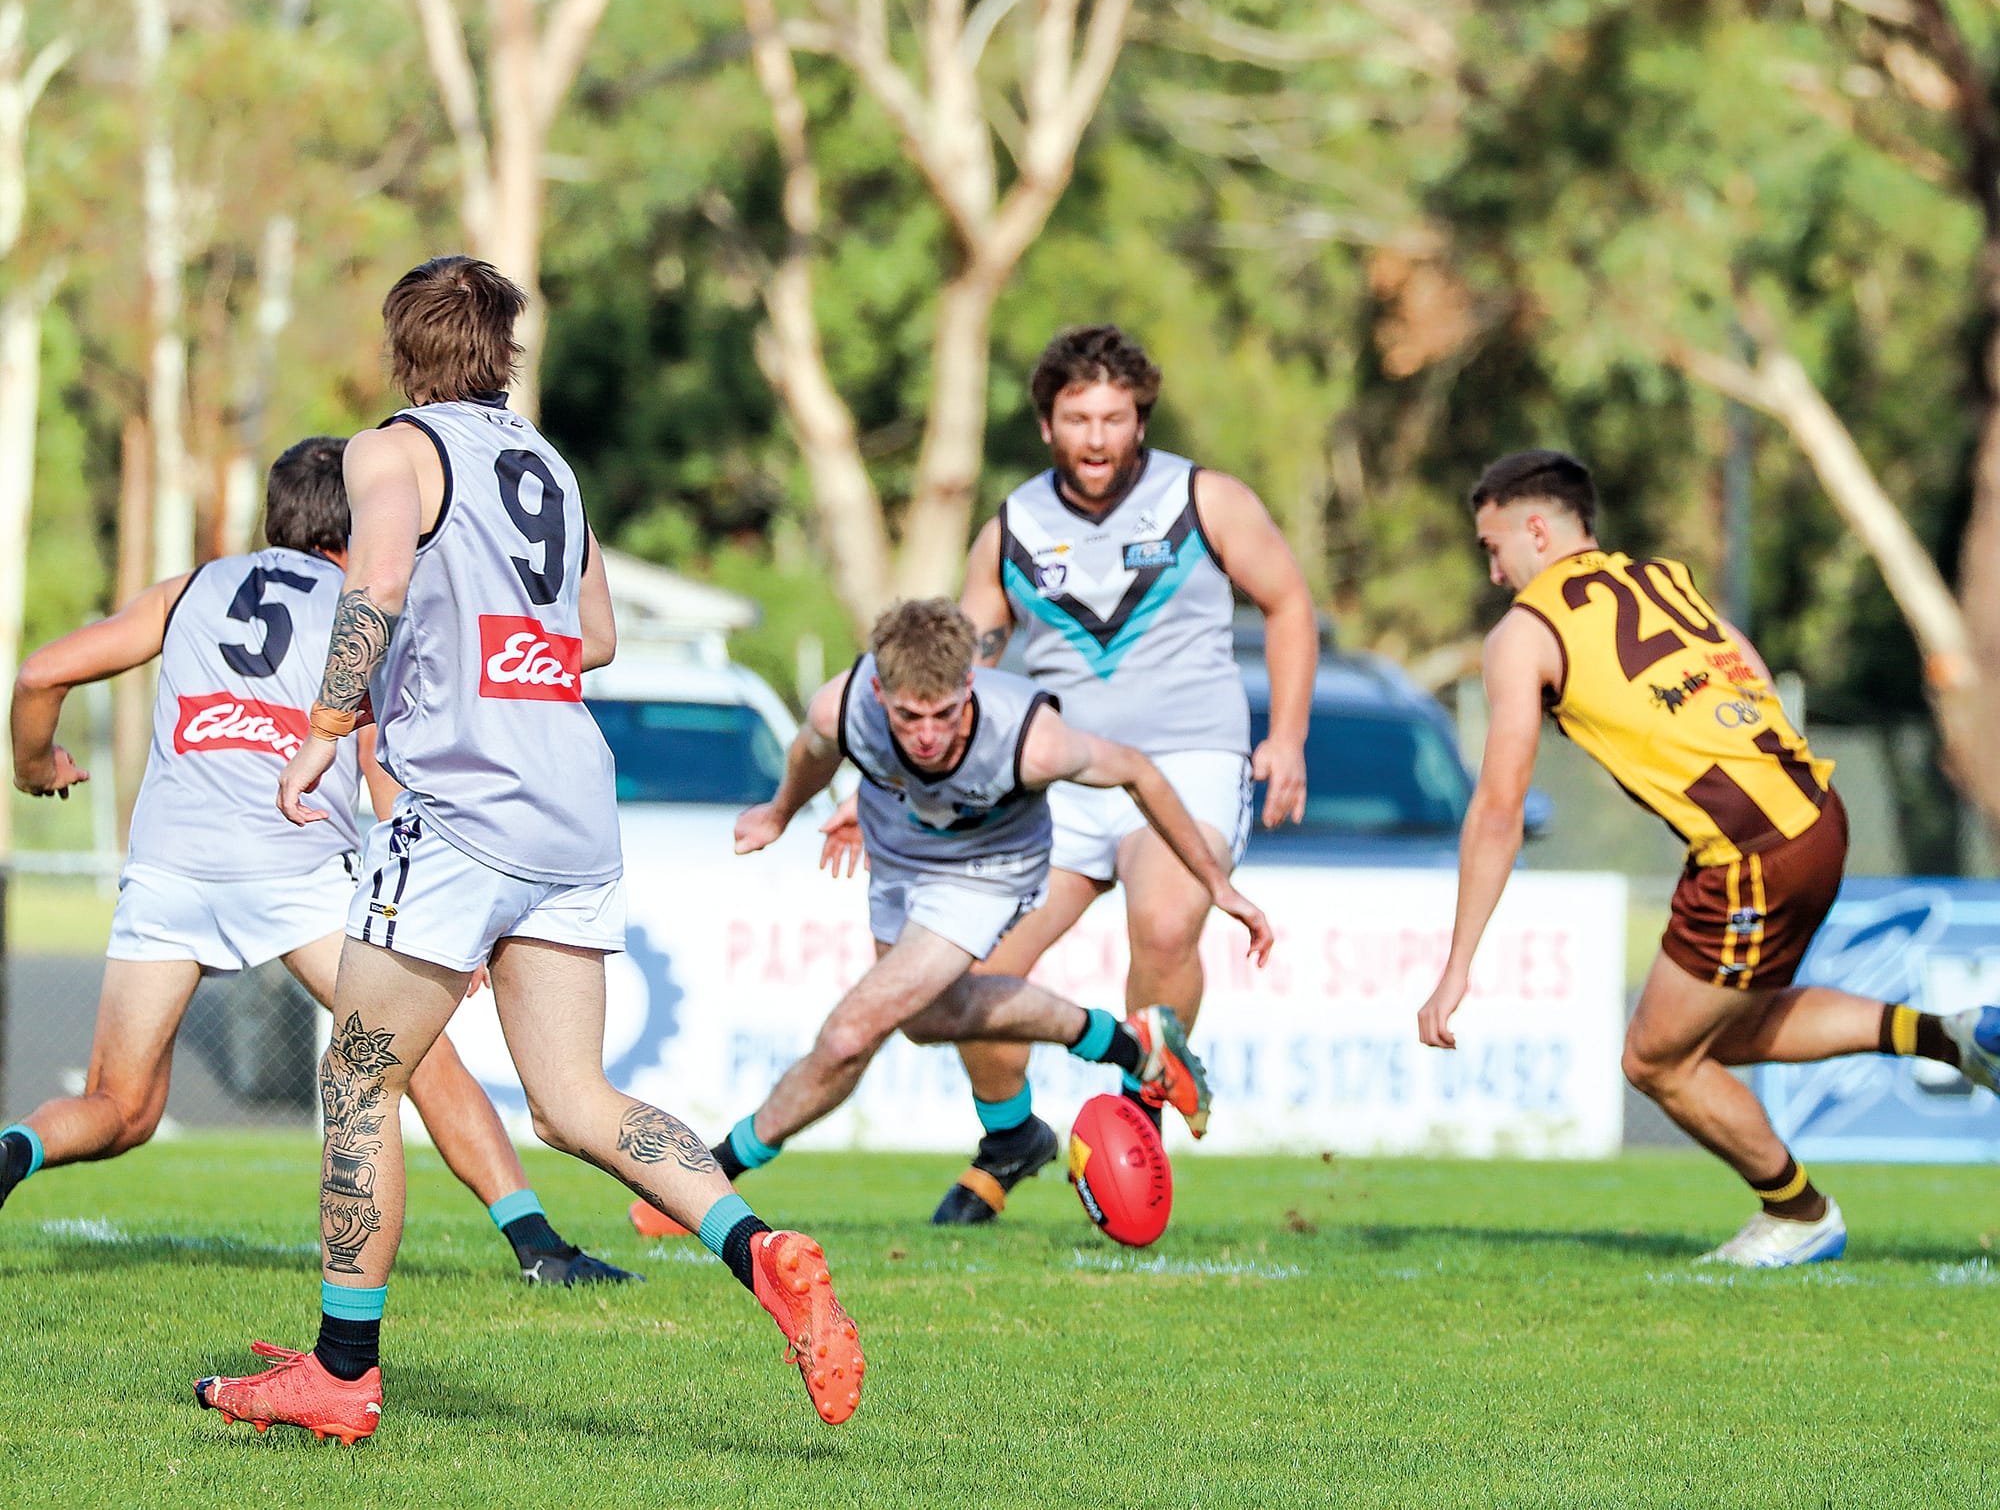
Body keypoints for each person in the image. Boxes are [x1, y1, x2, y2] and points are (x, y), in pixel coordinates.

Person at [192, 256, 863, 1445]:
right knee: (574, 1099)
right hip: (568, 804)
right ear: (505, 353)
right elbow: (593, 633)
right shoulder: (545, 462)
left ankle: (343, 1371)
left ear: (403, 350)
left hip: (461, 808)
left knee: (356, 1077)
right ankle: (758, 1249)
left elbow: (380, 579)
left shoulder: (388, 449)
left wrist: (328, 726)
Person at [3, 435, 631, 1287]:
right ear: (360, 522)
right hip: (290, 864)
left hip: (169, 864)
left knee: (119, 1107)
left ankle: (15, 1147)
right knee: (412, 1055)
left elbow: (41, 672)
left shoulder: (189, 589)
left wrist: (35, 767)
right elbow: (377, 758)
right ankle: (540, 1247)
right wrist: (436, 894)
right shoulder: (360, 601)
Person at [1416, 449, 2000, 1268]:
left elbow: (1498, 807)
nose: (1494, 571)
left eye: (1493, 546)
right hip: (1813, 814)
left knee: (1654, 1059)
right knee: (1719, 1033)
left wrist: (1456, 965)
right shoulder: (1663, 582)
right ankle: (1954, 1038)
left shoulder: (1526, 633)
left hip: (1748, 855)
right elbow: (1750, 671)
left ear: (1537, 530)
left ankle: (1799, 1213)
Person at [922, 324, 1317, 1223]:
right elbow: (966, 660)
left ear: (1140, 419)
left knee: (1168, 920)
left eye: (1114, 417)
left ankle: (1133, 1128)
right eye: (1077, 418)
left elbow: (1289, 600)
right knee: (969, 973)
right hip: (1063, 775)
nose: (1097, 437)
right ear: (1047, 426)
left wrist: (1286, 736)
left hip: (1191, 761)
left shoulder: (1201, 498)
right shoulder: (1014, 525)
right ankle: (1010, 1135)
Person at [706, 598, 1272, 1193]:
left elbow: (1138, 771)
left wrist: (1216, 883)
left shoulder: (1032, 741)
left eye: (944, 715)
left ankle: (713, 1177)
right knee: (925, 1022)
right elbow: (812, 752)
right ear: (878, 691)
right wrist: (779, 813)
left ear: (969, 685)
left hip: (987, 870)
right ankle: (1127, 1044)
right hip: (899, 857)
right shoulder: (838, 707)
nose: (926, 736)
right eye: (907, 717)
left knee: (852, 1031)